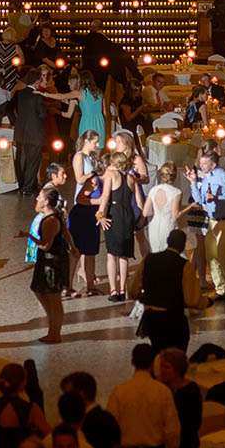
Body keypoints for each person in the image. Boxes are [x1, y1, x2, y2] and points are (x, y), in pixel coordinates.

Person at [106, 344, 180, 448]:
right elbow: (172, 431)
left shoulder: (120, 391)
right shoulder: (163, 391)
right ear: (153, 363)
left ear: (132, 362)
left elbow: (110, 426)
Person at [135, 230, 207, 352]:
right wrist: (207, 302)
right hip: (174, 320)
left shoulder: (148, 260)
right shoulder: (185, 265)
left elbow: (132, 289)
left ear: (168, 241)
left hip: (152, 319)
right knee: (176, 357)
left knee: (157, 352)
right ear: (183, 246)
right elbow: (192, 300)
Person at [185, 150, 225, 303]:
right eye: (200, 163)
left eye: (204, 163)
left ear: (213, 164)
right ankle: (221, 288)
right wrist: (193, 182)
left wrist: (216, 197)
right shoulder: (206, 178)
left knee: (222, 256)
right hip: (212, 221)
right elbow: (200, 200)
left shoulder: (223, 176)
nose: (200, 166)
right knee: (211, 256)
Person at [14, 68, 76, 195]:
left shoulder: (20, 94)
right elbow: (42, 114)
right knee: (34, 161)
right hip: (35, 133)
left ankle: (22, 185)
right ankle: (28, 188)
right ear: (36, 82)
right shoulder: (37, 96)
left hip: (22, 131)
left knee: (23, 160)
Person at [26, 187, 70, 342]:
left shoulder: (50, 221)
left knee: (53, 297)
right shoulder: (55, 216)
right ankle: (52, 325)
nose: (36, 199)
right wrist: (74, 248)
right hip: (49, 260)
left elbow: (45, 245)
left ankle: (54, 332)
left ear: (45, 202)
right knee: (40, 290)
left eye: (39, 197)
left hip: (51, 262)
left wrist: (30, 236)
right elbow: (66, 233)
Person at [96, 151, 139, 302]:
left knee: (111, 254)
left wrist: (100, 215)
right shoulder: (131, 178)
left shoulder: (110, 175)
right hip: (127, 215)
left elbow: (106, 196)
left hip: (114, 214)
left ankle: (113, 290)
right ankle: (123, 289)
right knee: (124, 255)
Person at [60, 371, 121, 448]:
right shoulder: (105, 417)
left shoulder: (94, 423)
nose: (65, 400)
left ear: (82, 394)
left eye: (68, 395)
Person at [158, 347, 203, 448]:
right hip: (166, 446)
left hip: (185, 447)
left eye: (167, 367)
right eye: (161, 367)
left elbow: (193, 423)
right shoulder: (162, 389)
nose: (162, 371)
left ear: (177, 370)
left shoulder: (191, 391)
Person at [68, 131, 102, 296]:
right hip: (82, 201)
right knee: (78, 248)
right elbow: (79, 178)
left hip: (93, 203)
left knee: (91, 249)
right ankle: (67, 284)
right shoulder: (79, 157)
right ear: (87, 141)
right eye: (95, 141)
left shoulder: (92, 157)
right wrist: (94, 174)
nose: (97, 144)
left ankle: (90, 285)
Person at [77, 69, 107, 140]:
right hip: (99, 122)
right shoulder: (99, 92)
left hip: (86, 121)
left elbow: (63, 95)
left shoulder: (80, 93)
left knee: (85, 145)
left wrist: (47, 95)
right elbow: (105, 112)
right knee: (98, 145)